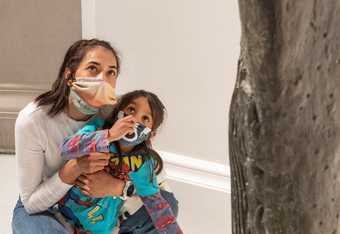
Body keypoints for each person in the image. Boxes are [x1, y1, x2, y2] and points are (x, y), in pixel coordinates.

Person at [11, 39, 179, 234]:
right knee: (34, 225)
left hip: (102, 210)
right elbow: (31, 203)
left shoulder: (118, 112)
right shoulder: (33, 120)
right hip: (49, 205)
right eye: (93, 68)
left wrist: (118, 188)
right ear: (69, 75)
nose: (103, 80)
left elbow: (153, 182)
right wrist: (75, 168)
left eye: (111, 72)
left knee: (168, 203)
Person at [58, 90, 183, 234]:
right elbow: (66, 148)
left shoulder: (142, 163)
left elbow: (157, 206)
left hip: (100, 228)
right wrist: (109, 136)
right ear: (118, 112)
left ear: (151, 134)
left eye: (145, 118)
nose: (135, 120)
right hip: (65, 215)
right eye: (131, 109)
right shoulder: (98, 129)